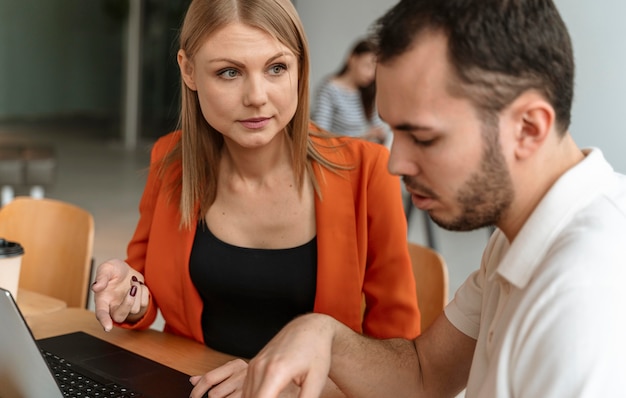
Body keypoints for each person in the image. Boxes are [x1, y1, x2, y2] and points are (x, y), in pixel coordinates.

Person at [241, 0, 626, 397]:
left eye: (423, 138)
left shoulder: (588, 299)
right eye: (394, 132)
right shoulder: (521, 232)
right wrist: (322, 333)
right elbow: (425, 375)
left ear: (528, 128)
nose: (396, 164)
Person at [90, 0, 420, 396]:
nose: (257, 97)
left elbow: (397, 364)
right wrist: (128, 292)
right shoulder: (171, 161)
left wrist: (274, 382)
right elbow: (144, 297)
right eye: (229, 72)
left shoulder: (367, 171)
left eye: (276, 68)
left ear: (300, 67)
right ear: (188, 70)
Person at [311, 39, 388, 144]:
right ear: (351, 59)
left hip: (361, 152)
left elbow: (377, 127)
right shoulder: (329, 89)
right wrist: (364, 136)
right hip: (336, 154)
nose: (371, 74)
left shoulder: (366, 91)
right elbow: (320, 135)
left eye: (375, 70)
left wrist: (380, 135)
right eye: (367, 66)